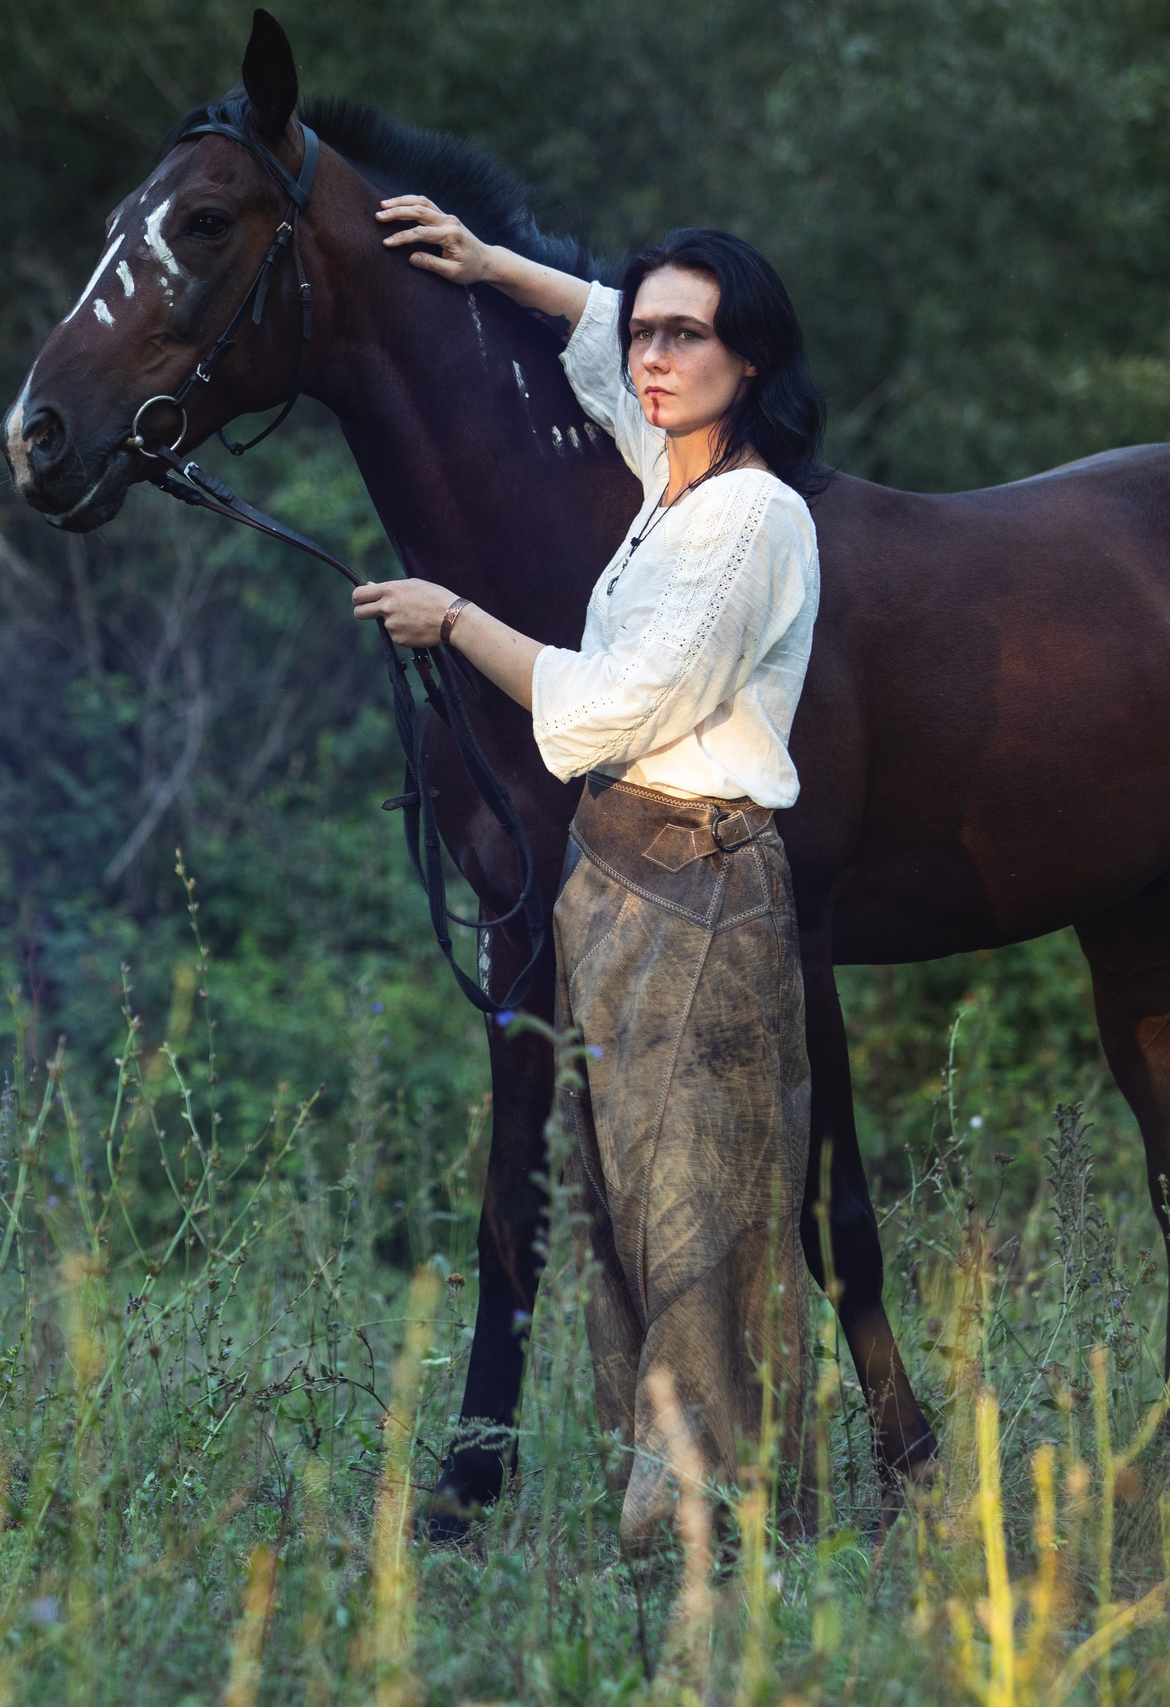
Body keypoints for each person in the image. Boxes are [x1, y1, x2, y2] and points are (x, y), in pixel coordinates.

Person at [356, 196, 825, 1551]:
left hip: (699, 880)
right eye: (648, 334)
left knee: (697, 1221)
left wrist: (455, 617)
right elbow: (607, 342)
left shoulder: (747, 520)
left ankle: (721, 1530)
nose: (654, 357)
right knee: (625, 1218)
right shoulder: (670, 484)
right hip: (617, 877)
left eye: (689, 336)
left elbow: (606, 713)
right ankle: (669, 1510)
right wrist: (494, 265)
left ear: (751, 361)